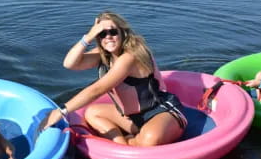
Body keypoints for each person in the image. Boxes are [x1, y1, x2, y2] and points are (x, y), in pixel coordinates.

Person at [39, 11, 187, 147]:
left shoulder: (131, 57)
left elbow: (97, 90)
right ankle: (123, 145)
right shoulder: (103, 55)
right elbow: (69, 63)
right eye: (102, 33)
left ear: (123, 33)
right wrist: (88, 36)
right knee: (92, 113)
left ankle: (130, 143)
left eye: (113, 32)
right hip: (133, 118)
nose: (108, 37)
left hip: (161, 112)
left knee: (149, 140)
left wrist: (60, 111)